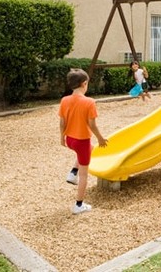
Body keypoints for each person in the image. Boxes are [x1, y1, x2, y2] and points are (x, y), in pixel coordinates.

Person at [59, 68, 108, 215]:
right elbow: (92, 125)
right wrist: (100, 138)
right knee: (84, 175)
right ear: (84, 84)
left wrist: (62, 138)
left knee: (88, 149)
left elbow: (62, 122)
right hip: (82, 141)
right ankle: (78, 205)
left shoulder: (65, 100)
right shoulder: (89, 102)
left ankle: (73, 172)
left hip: (70, 140)